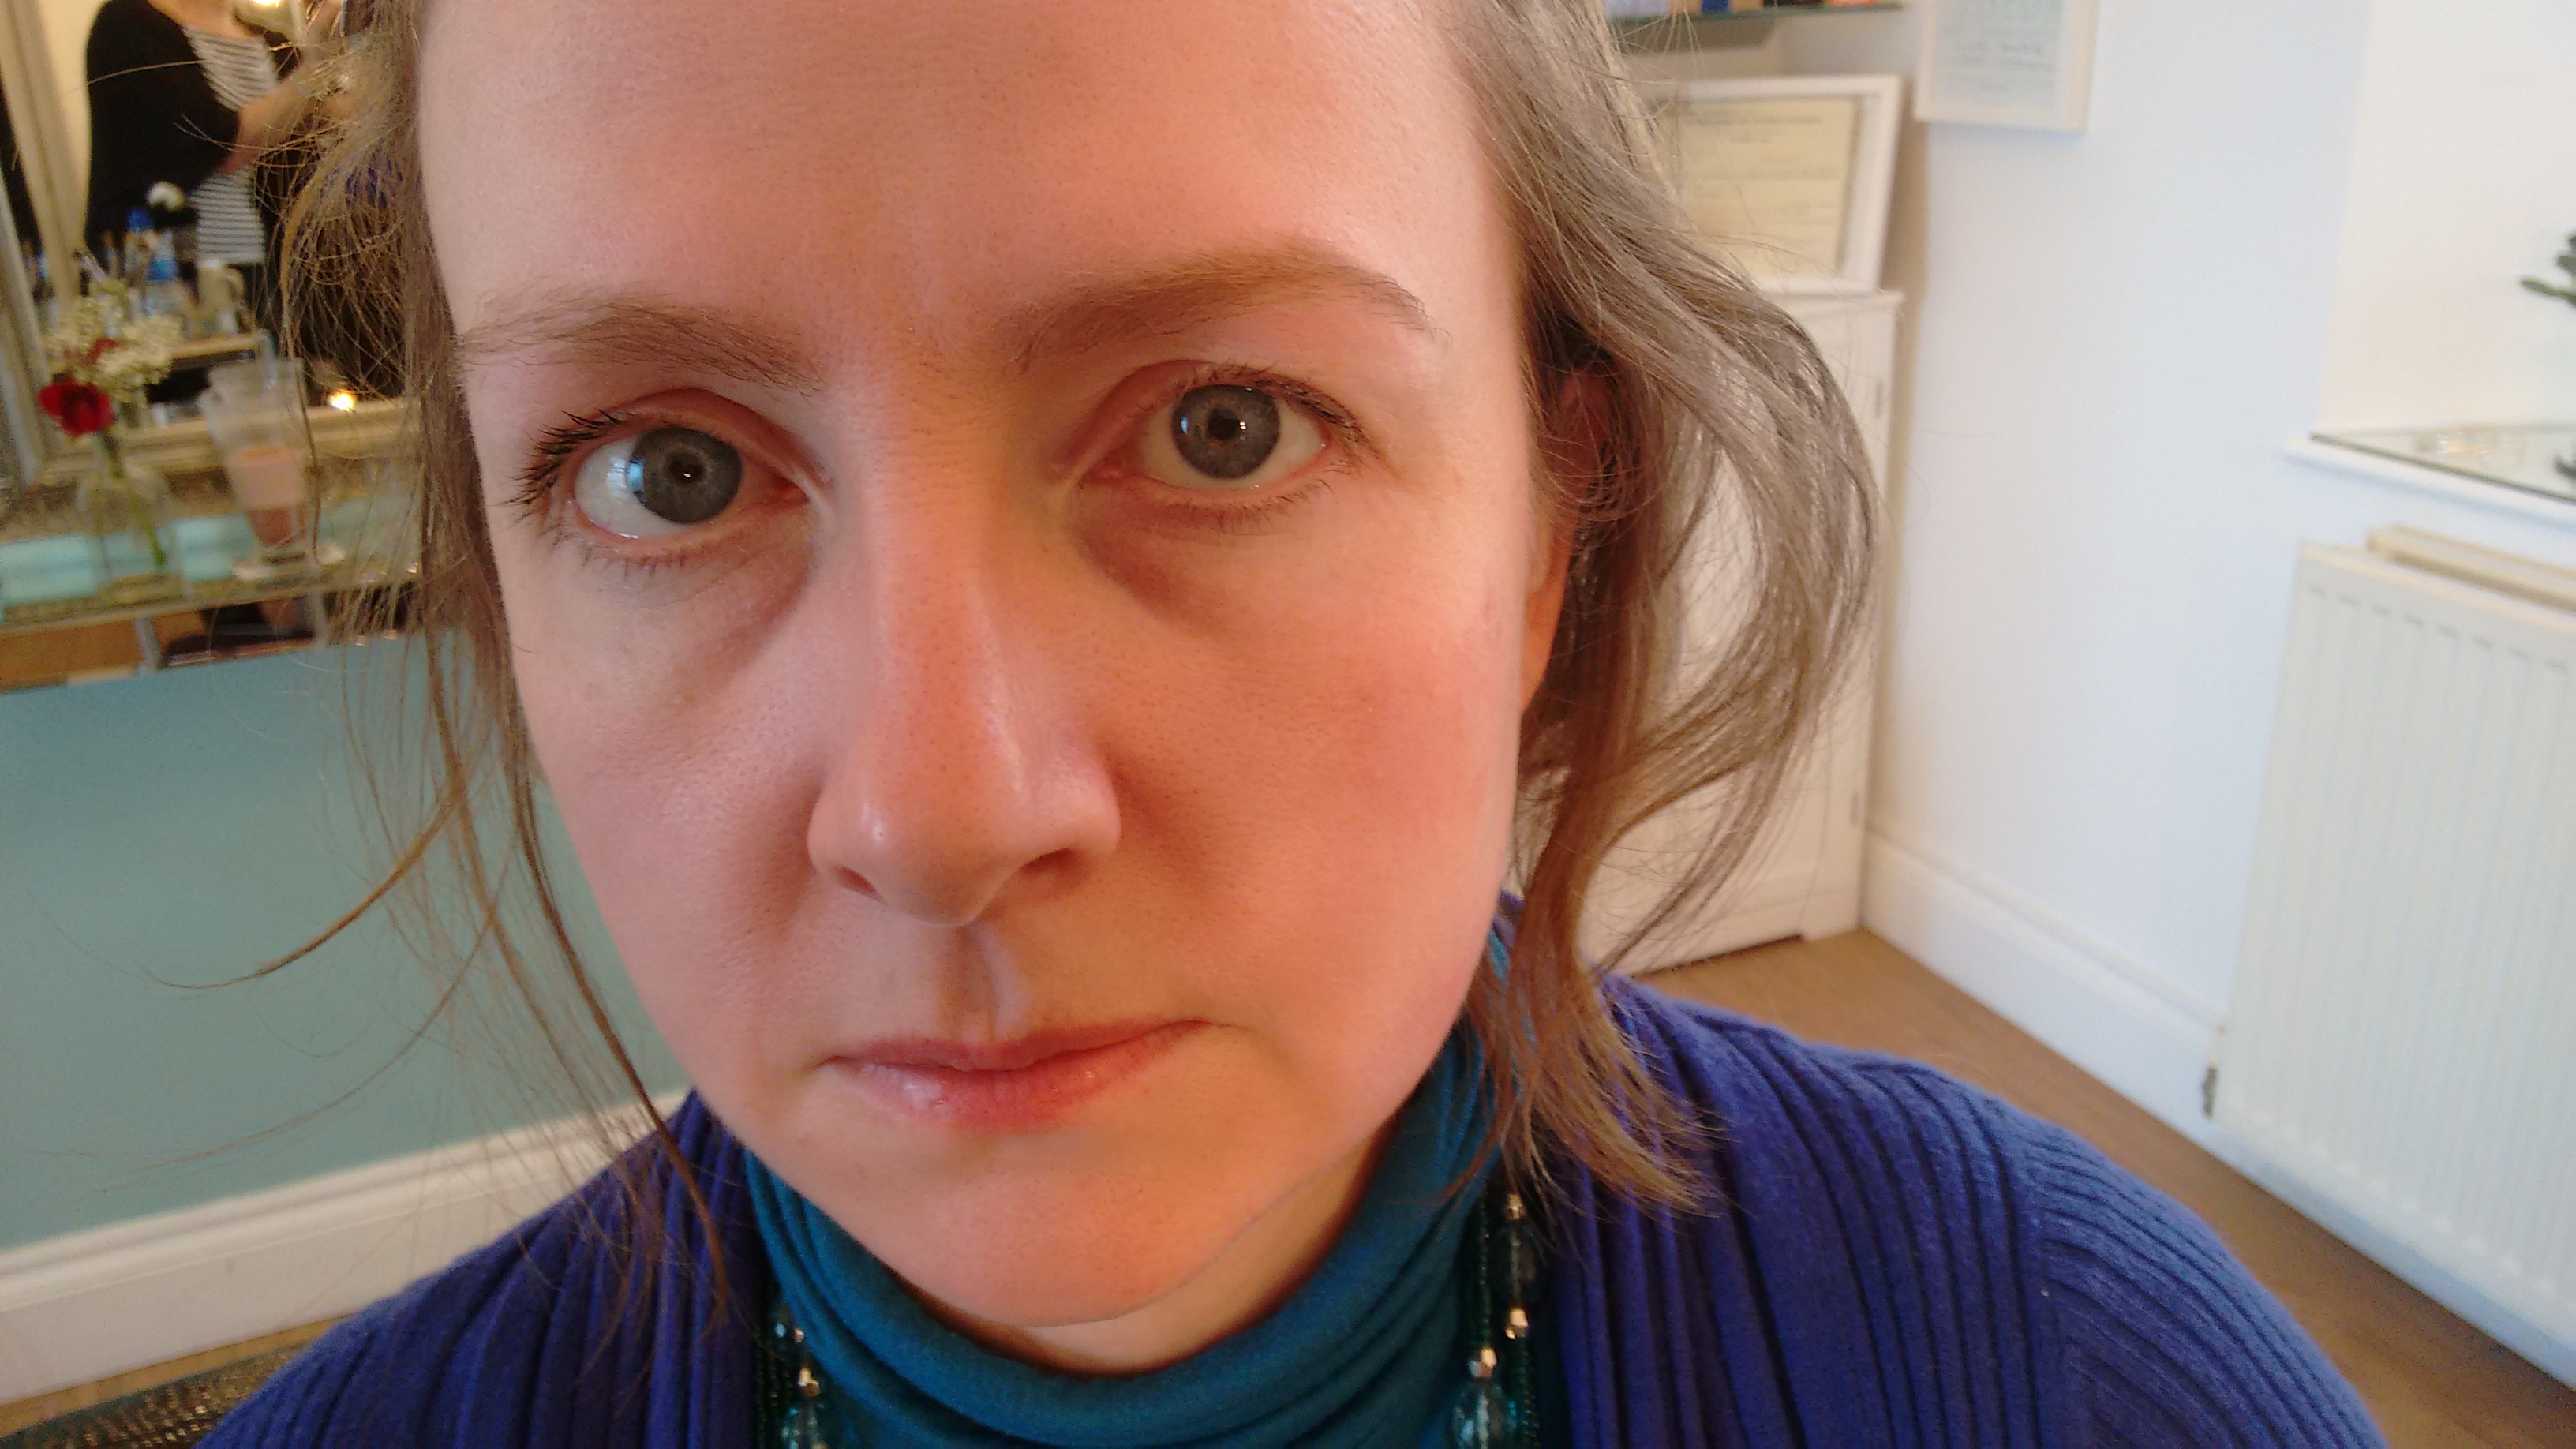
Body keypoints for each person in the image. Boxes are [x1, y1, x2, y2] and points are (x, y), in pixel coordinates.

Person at [204, 1, 2383, 1444]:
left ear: (1550, 530)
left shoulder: (2073, 1378)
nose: (939, 810)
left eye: (1224, 426)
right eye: (669, 473)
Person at [82, 0, 343, 330]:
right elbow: (215, 145)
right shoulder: (128, 26)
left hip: (267, 274)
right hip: (180, 286)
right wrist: (313, 67)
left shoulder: (269, 41)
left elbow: (322, 128)